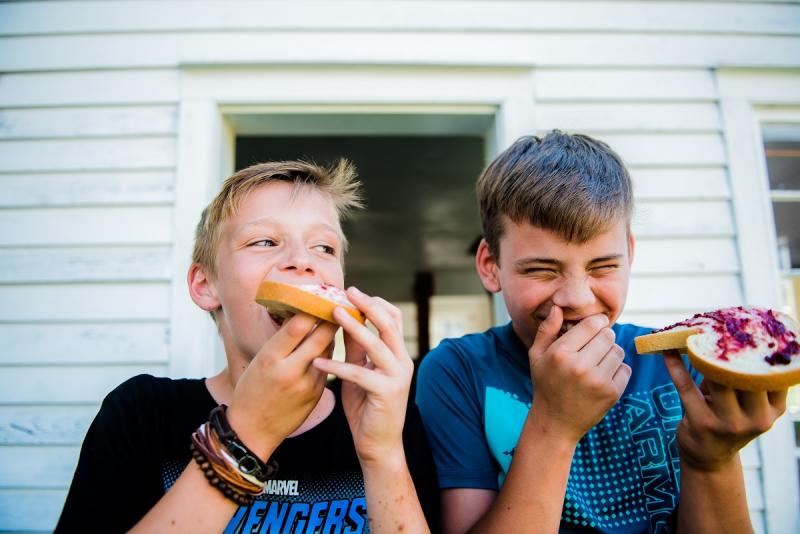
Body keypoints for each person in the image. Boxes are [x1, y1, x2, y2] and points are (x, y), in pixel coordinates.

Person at [415, 131, 788, 533]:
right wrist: (554, 424)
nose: (577, 298)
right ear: (491, 266)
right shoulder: (457, 371)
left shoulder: (679, 366)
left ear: (629, 254)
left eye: (603, 266)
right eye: (541, 270)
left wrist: (711, 460)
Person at [57, 160, 438, 533]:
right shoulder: (143, 414)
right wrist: (247, 434)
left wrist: (381, 454)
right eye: (265, 241)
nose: (302, 261)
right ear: (206, 285)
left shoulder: (387, 417)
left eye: (324, 247)